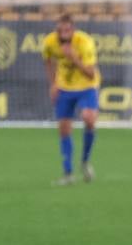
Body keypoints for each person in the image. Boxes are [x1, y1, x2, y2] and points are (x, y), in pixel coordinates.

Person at [42, 14, 99, 185]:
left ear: (73, 30)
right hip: (65, 88)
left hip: (86, 86)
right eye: (60, 30)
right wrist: (53, 84)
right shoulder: (49, 42)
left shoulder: (85, 43)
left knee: (89, 119)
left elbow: (91, 74)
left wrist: (74, 58)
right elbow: (48, 61)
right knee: (64, 129)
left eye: (67, 30)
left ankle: (85, 161)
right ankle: (68, 173)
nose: (63, 34)